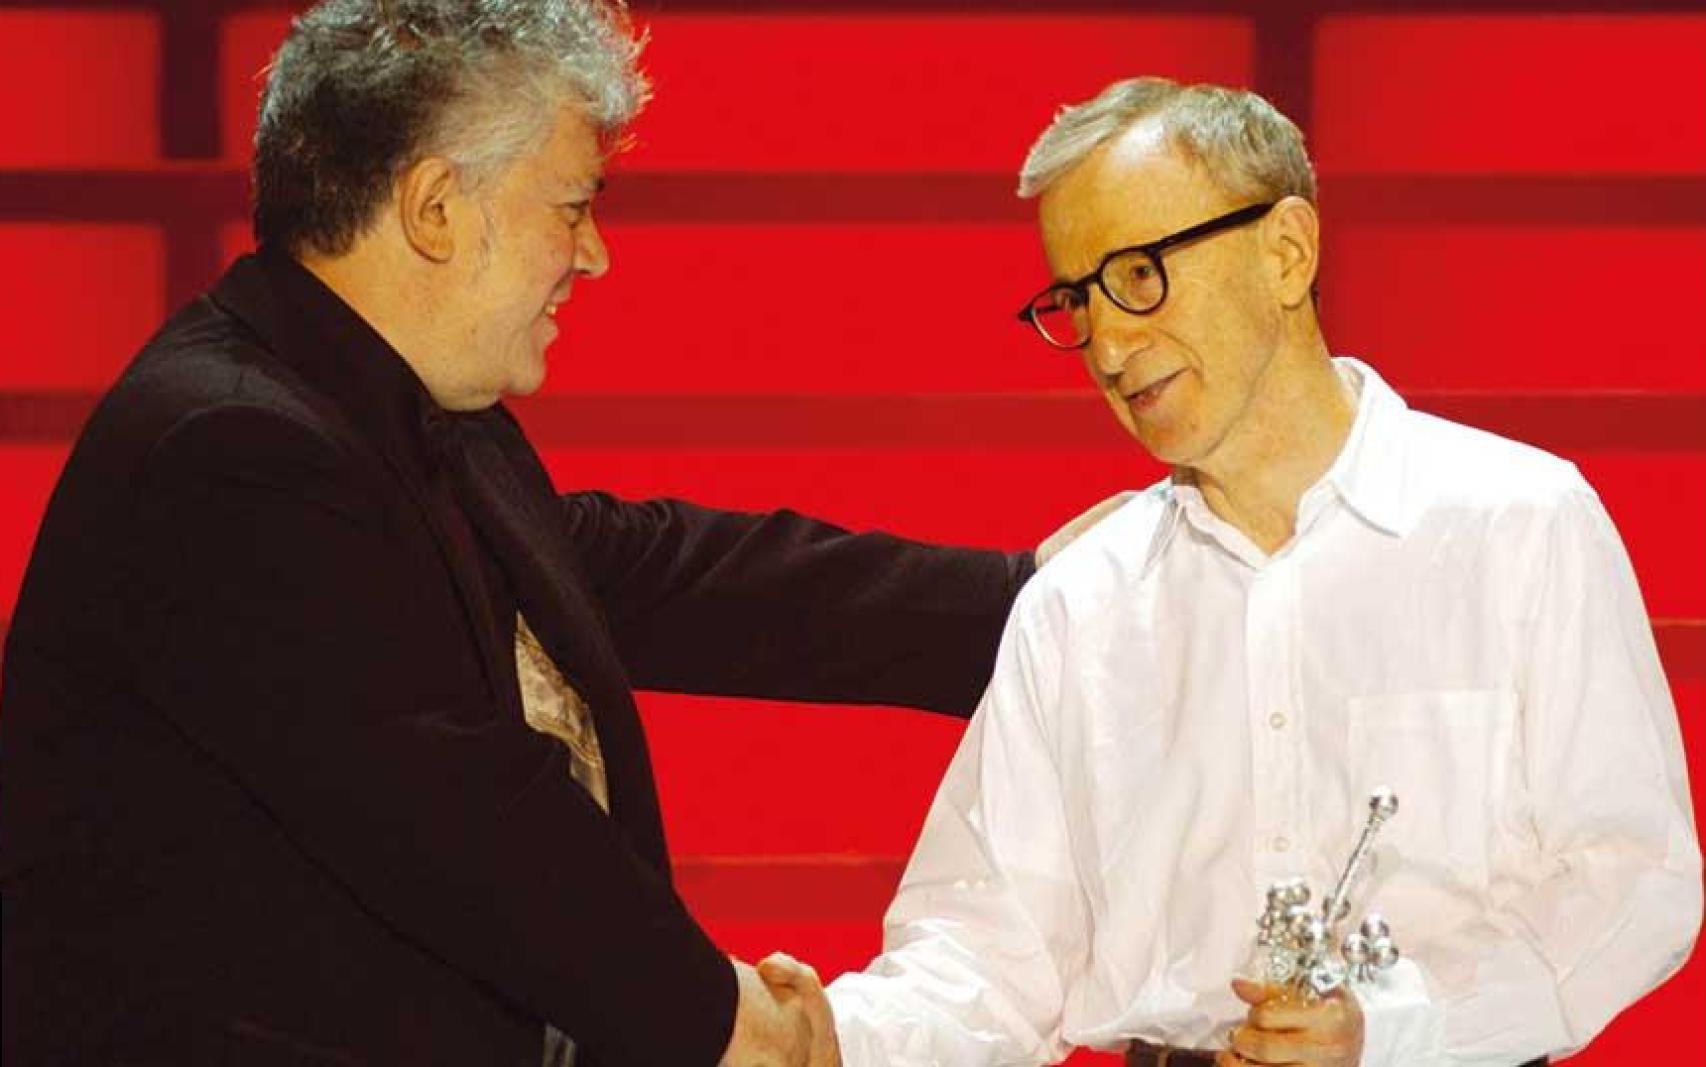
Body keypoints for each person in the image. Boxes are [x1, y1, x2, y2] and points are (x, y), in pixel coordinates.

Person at [0, 2, 1106, 1063]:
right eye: (572, 206)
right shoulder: (233, 452)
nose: (594, 255)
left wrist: (1023, 596)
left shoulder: (407, 413)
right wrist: (724, 1022)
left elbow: (670, 575)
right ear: (435, 207)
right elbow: (467, 819)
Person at [799, 77, 1702, 1067]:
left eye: (1138, 274)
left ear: (1284, 252)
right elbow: (988, 957)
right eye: (1074, 299)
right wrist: (814, 1038)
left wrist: (1398, 1029)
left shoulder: (1519, 524)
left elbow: (1632, 876)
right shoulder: (1078, 605)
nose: (1104, 342)